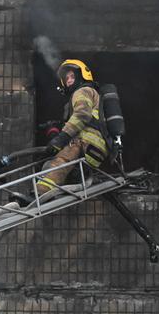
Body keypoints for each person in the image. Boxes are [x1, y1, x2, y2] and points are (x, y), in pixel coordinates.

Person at [12, 59, 109, 206]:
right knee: (51, 163)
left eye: (72, 76)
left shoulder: (83, 91)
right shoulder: (89, 94)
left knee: (59, 163)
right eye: (66, 78)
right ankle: (53, 190)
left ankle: (39, 195)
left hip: (84, 143)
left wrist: (61, 138)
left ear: (83, 75)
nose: (69, 80)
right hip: (95, 149)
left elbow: (82, 115)